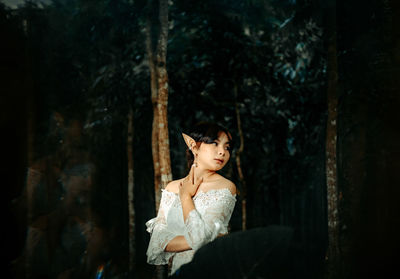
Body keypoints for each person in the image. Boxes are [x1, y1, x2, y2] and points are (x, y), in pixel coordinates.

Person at [146, 122, 237, 276]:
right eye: (214, 143)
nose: (222, 152)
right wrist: (204, 238)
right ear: (194, 147)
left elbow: (201, 240)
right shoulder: (171, 188)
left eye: (227, 147)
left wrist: (185, 196)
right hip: (179, 272)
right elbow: (156, 243)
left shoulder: (226, 187)